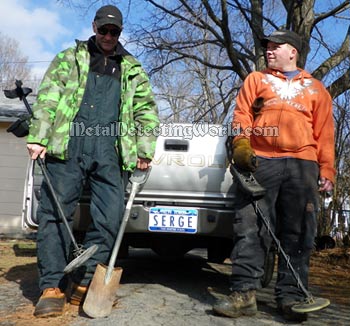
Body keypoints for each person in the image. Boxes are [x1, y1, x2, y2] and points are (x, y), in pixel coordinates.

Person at [26, 5, 159, 318]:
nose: (109, 37)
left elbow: (146, 110)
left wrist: (144, 148)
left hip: (111, 150)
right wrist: (39, 136)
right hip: (68, 145)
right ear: (94, 27)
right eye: (104, 30)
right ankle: (52, 286)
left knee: (110, 219)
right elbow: (49, 96)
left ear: (120, 33)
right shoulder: (69, 58)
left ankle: (84, 281)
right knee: (55, 214)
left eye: (115, 32)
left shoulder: (131, 68)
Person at [213, 30, 335, 322]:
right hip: (260, 162)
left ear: (293, 51)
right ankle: (244, 294)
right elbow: (241, 115)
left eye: (275, 47)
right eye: (266, 47)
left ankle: (291, 298)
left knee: (298, 233)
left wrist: (327, 169)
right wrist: (241, 144)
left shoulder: (317, 89)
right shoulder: (256, 80)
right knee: (250, 228)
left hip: (303, 166)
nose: (268, 51)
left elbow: (326, 133)